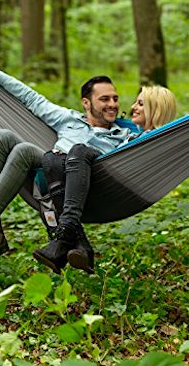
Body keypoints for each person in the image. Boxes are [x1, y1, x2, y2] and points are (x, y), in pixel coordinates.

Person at [0, 59, 132, 267]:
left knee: (24, 150)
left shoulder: (123, 135)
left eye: (115, 99)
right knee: (1, 137)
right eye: (105, 99)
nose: (113, 105)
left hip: (82, 181)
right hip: (50, 167)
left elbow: (149, 140)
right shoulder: (69, 119)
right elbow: (32, 98)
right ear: (86, 103)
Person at [33, 84, 177, 275]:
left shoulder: (154, 140)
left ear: (155, 109)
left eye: (141, 103)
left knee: (78, 150)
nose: (133, 106)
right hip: (97, 181)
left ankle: (64, 233)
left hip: (115, 189)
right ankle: (78, 246)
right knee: (52, 159)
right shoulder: (134, 134)